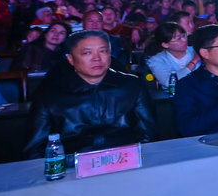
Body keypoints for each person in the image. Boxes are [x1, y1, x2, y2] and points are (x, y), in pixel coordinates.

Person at [23, 30, 155, 159]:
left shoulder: (132, 85)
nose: (96, 58)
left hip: (126, 161)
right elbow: (35, 149)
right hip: (70, 166)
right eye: (87, 53)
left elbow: (148, 136)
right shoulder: (50, 94)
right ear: (71, 59)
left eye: (103, 51)